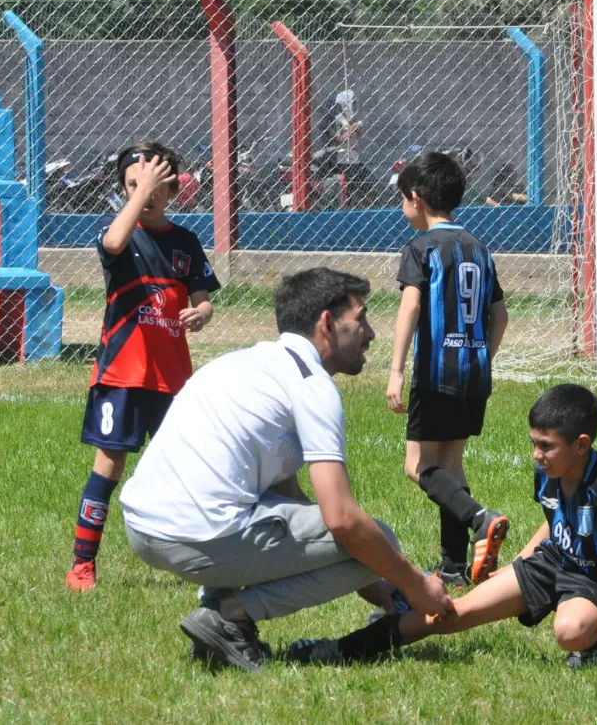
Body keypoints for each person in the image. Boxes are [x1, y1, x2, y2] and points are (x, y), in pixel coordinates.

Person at [119, 268, 454, 672]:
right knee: (378, 537)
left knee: (358, 545)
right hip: (196, 534)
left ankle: (218, 615)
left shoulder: (246, 362)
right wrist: (414, 584)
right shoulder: (311, 385)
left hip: (143, 527)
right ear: (326, 323)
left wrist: (376, 582)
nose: (370, 333)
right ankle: (230, 616)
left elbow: (288, 499)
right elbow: (343, 520)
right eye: (361, 318)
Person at [287, 384, 597, 670]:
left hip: (596, 581)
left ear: (581, 445)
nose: (536, 454)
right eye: (534, 443)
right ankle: (339, 649)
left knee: (569, 631)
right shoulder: (548, 471)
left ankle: (590, 642)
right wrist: (520, 565)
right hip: (554, 563)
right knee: (449, 616)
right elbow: (554, 522)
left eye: (546, 446)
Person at [64, 141, 219, 592]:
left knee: (187, 471)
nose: (146, 194)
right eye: (135, 185)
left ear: (173, 189)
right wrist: (136, 195)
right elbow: (113, 240)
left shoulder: (186, 242)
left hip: (171, 380)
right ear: (124, 189)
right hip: (122, 377)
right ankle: (82, 564)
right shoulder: (119, 234)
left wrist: (202, 314)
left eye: (155, 186)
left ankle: (204, 562)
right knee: (108, 467)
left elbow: (203, 299)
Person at [388, 151, 512, 586]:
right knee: (452, 468)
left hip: (436, 373)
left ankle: (480, 518)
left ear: (416, 199)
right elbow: (501, 316)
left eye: (402, 200)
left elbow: (411, 306)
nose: (402, 208)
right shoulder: (478, 247)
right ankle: (455, 566)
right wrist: (482, 357)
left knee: (418, 466)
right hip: (474, 373)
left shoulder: (420, 248)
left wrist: (396, 370)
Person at [322, 89, 373, 209]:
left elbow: (354, 136)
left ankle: (362, 197)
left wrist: (353, 128)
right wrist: (352, 128)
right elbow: (338, 139)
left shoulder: (346, 119)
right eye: (353, 103)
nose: (355, 106)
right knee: (361, 172)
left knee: (361, 173)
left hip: (346, 154)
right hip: (333, 154)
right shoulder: (334, 118)